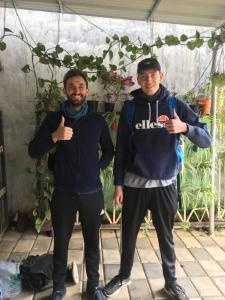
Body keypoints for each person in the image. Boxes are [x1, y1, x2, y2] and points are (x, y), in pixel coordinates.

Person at [103, 58, 211, 300]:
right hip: (134, 184)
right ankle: (123, 275)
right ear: (138, 79)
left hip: (165, 184)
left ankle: (171, 282)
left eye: (153, 75)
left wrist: (185, 127)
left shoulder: (175, 104)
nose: (148, 80)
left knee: (166, 235)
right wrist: (118, 183)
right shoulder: (130, 108)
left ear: (161, 76)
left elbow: (206, 139)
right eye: (143, 76)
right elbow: (121, 148)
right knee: (128, 233)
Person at [28, 68, 114, 300]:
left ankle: (94, 286)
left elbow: (109, 150)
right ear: (65, 90)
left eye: (80, 86)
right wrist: (55, 136)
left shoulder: (96, 120)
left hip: (92, 193)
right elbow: (33, 150)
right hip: (63, 193)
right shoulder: (54, 120)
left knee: (92, 243)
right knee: (61, 243)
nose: (76, 90)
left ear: (86, 90)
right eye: (71, 86)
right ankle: (58, 287)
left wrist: (98, 167)